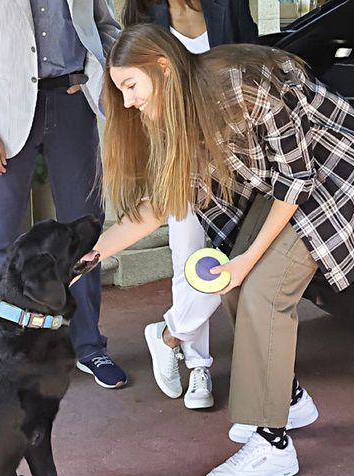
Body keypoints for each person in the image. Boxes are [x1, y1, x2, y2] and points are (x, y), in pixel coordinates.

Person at [85, 24, 354, 476]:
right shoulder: (172, 112)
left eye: (130, 85)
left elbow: (297, 180)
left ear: (163, 68)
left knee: (265, 290)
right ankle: (287, 399)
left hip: (337, 172)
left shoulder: (242, 88)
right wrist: (89, 256)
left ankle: (273, 446)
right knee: (228, 280)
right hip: (282, 187)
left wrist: (249, 260)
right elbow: (158, 204)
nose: (126, 102)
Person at [0, 0, 128, 388]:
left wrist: (105, 80)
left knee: (85, 232)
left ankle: (88, 345)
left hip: (72, 102)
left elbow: (105, 26)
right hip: (5, 116)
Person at [116, 1, 276, 413]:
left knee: (233, 257)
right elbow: (137, 89)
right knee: (188, 257)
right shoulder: (143, 16)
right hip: (179, 150)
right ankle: (199, 365)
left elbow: (251, 60)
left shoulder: (228, 6)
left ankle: (169, 334)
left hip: (233, 151)